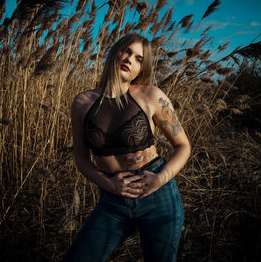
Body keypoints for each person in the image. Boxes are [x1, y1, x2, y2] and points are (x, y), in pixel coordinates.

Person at [64, 33, 191, 262]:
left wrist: (160, 179)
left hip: (158, 197)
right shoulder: (82, 103)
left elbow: (183, 146)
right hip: (112, 201)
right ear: (115, 53)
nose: (130, 59)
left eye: (139, 59)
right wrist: (109, 184)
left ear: (141, 69)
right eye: (127, 52)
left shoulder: (150, 96)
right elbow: (82, 159)